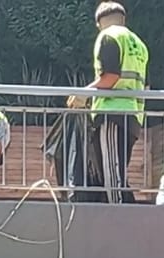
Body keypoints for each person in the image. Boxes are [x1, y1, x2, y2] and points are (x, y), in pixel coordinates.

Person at [67, 3, 149, 204]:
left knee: (112, 174)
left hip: (112, 111)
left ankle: (120, 216)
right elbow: (145, 85)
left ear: (99, 23)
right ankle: (123, 212)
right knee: (117, 169)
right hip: (133, 115)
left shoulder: (108, 37)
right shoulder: (139, 44)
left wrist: (84, 94)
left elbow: (111, 76)